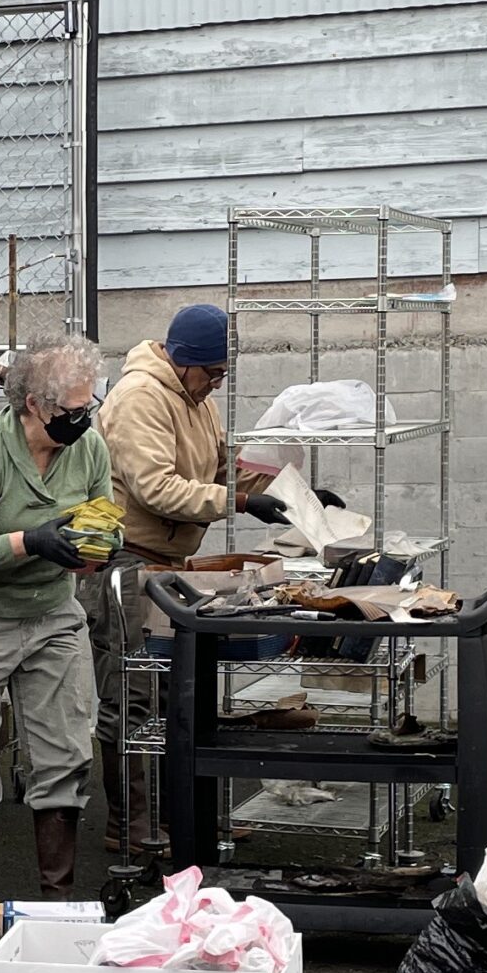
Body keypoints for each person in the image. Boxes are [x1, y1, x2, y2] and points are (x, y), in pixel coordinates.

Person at [83, 302, 338, 853]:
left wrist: (297, 496)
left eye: (223, 372)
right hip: (127, 561)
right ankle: (129, 822)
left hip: (168, 563)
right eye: (212, 371)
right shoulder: (140, 399)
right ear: (182, 360)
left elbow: (222, 465)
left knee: (181, 694)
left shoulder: (196, 397)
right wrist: (241, 502)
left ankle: (186, 816)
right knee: (133, 694)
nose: (217, 381)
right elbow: (157, 488)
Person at [0, 333, 113, 895]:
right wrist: (29, 541)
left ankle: (58, 905)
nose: (85, 418)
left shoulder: (88, 446)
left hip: (53, 614)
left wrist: (97, 548)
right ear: (35, 405)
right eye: (74, 410)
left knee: (66, 753)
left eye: (90, 405)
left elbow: (106, 515)